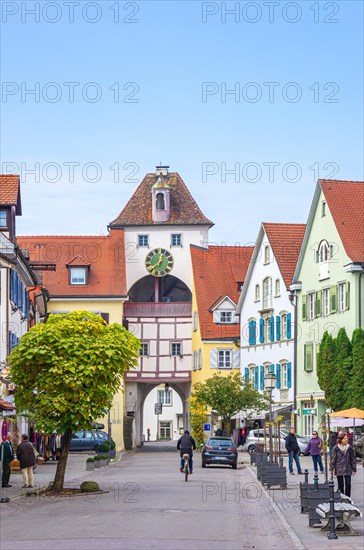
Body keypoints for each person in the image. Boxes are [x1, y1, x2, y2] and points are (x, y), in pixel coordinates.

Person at [331, 432, 356, 498]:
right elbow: (333, 459)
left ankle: (347, 498)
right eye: (345, 439)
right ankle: (341, 497)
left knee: (348, 484)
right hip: (339, 468)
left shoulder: (349, 448)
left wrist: (354, 469)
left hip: (348, 468)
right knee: (340, 485)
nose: (346, 439)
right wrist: (331, 468)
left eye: (346, 438)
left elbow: (352, 459)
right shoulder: (336, 448)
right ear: (340, 440)